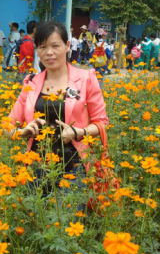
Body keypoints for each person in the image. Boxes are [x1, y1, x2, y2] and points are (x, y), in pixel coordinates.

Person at [6, 20, 109, 190]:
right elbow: (6, 126)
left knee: (68, 214)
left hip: (74, 167)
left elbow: (102, 122)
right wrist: (21, 132)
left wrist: (78, 132)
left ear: (68, 46)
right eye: (42, 47)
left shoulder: (85, 79)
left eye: (55, 46)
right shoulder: (31, 82)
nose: (49, 53)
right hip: (36, 167)